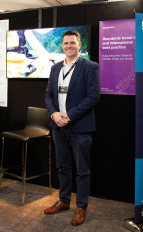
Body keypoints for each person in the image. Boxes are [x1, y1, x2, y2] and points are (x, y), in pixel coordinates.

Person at [44, 30, 100, 226]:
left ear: (79, 44)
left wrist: (70, 115)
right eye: (66, 43)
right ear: (62, 45)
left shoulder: (90, 67)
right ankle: (64, 201)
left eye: (73, 43)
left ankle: (81, 207)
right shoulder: (55, 68)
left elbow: (93, 97)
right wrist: (54, 114)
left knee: (82, 170)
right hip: (58, 126)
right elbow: (48, 95)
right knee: (63, 167)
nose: (69, 46)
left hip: (80, 126)